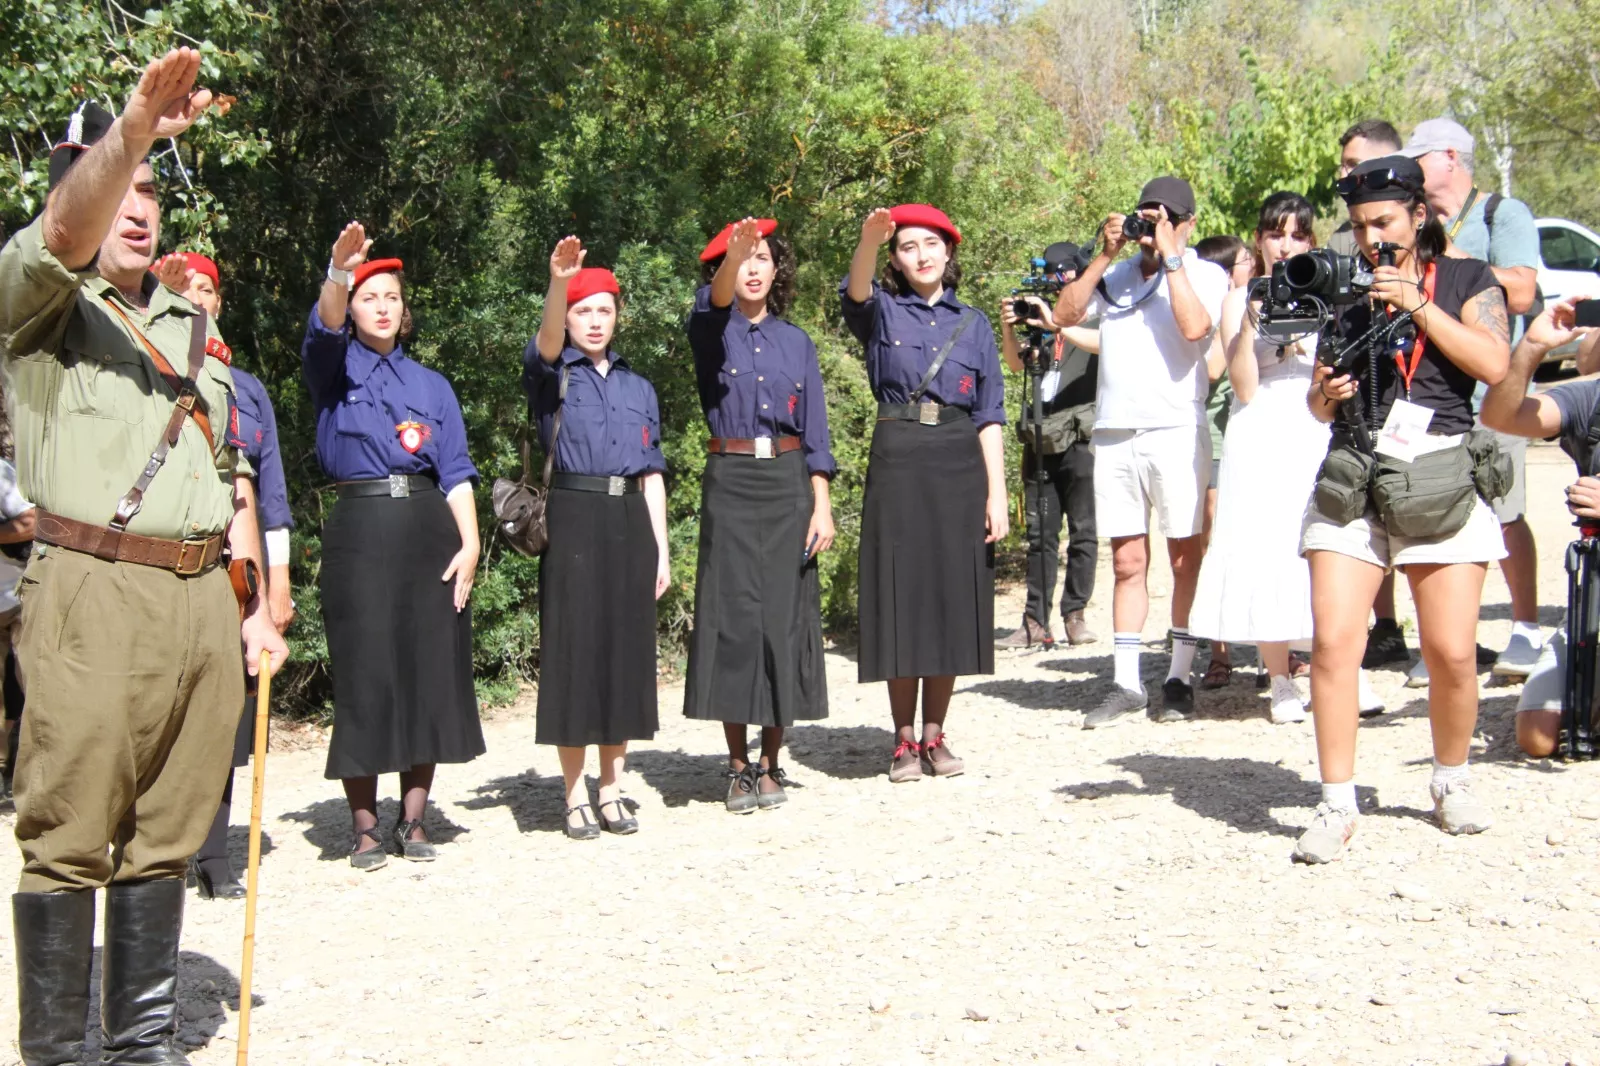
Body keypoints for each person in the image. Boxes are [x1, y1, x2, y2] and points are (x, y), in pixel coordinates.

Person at [0, 51, 286, 1065]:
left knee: (167, 834)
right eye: (122, 184)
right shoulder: (37, 298)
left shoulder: (193, 325)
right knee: (72, 833)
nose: (138, 206)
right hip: (93, 591)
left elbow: (229, 470)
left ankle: (141, 1043)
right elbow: (69, 230)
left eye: (154, 188)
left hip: (203, 599)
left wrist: (254, 603)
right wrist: (129, 134)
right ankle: (60, 1052)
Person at [1295, 155, 1512, 864]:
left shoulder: (1467, 281)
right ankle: (1336, 804)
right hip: (1354, 468)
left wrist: (1419, 305)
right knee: (1333, 644)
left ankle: (1450, 781)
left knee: (1450, 652)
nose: (1370, 238)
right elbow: (1315, 401)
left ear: (1418, 216)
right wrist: (1327, 393)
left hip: (1439, 469)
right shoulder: (1345, 291)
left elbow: (1493, 364)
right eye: (1359, 226)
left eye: (1383, 221)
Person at [304, 224, 485, 870]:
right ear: (351, 307)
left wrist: (470, 543)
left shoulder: (433, 387)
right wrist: (336, 271)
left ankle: (414, 819)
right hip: (361, 531)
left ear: (404, 310)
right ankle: (364, 828)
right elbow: (323, 328)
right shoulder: (333, 367)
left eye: (390, 297)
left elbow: (458, 472)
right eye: (367, 295)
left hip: (429, 532)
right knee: (366, 673)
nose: (381, 305)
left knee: (426, 671)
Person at [1051, 177, 1230, 727]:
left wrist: (1171, 256)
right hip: (1115, 432)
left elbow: (1197, 327)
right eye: (1145, 214)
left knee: (1183, 558)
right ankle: (1126, 684)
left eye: (1165, 216)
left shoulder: (1205, 272)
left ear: (1188, 223)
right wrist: (1105, 255)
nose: (1151, 225)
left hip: (1175, 429)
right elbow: (1064, 314)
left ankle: (1178, 675)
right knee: (1128, 562)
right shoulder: (1118, 273)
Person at [841, 204, 1008, 782]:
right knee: (900, 594)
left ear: (949, 252)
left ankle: (937, 734)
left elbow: (990, 415)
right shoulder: (883, 311)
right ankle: (903, 740)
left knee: (949, 597)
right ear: (895, 259)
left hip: (960, 460)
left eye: (931, 244)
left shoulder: (976, 323)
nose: (922, 256)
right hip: (899, 456)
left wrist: (998, 494)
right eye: (908, 247)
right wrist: (869, 238)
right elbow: (856, 289)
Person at [154, 250, 296, 898]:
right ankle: (153, 852)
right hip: (157, 564)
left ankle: (213, 858)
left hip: (233, 570)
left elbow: (268, 495)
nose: (200, 297)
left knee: (223, 713)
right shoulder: (146, 371)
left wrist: (278, 582)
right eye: (187, 288)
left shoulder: (250, 391)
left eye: (209, 288)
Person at [685, 217, 835, 813]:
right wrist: (732, 254)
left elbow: (817, 430)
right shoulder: (709, 328)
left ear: (778, 270)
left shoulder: (797, 343)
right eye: (742, 258)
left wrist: (821, 502)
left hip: (789, 484)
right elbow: (715, 298)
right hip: (731, 480)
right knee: (734, 621)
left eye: (762, 257)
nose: (752, 267)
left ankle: (773, 761)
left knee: (782, 618)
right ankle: (739, 764)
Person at [525, 242, 670, 838]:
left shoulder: (640, 388)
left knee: (624, 656)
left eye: (602, 311)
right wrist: (560, 282)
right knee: (574, 655)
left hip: (629, 522)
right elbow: (546, 343)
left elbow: (652, 472)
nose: (592, 321)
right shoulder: (552, 375)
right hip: (573, 517)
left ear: (617, 317)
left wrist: (660, 548)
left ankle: (612, 788)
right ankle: (572, 793)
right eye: (582, 310)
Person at [1401, 117, 1545, 685]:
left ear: (1452, 158)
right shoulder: (1419, 220)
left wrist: (1453, 255)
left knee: (1505, 511)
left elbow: (1526, 289)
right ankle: (1443, 642)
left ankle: (1526, 629)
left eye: (1421, 157)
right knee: (1431, 509)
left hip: (1494, 394)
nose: (1413, 169)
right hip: (1431, 398)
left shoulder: (1501, 214)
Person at [1189, 194, 1325, 723]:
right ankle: (1280, 677)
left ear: (1310, 241)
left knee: (1323, 541)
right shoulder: (1239, 297)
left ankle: (1335, 665)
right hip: (1260, 425)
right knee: (1268, 543)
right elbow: (1242, 386)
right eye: (1275, 233)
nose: (1285, 244)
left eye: (1296, 234)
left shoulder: (1327, 294)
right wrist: (1251, 320)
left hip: (1315, 421)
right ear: (1260, 239)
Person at [1478, 302, 1600, 756]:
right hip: (1596, 605)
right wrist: (1529, 348)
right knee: (1538, 735)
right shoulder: (1591, 398)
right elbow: (1501, 417)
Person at [996, 279, 1100, 651]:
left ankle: (1075, 616)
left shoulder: (1097, 321)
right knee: (1040, 537)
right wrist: (1011, 327)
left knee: (1083, 531)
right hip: (1041, 440)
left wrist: (1059, 326)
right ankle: (1034, 621)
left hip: (1081, 440)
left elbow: (1109, 347)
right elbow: (1013, 362)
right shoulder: (1038, 327)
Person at [1191, 234, 1247, 688]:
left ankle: (1280, 650)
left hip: (1254, 431)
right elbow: (1213, 369)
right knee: (1213, 542)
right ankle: (1219, 652)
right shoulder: (1210, 305)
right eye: (1245, 261)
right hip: (1214, 432)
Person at [1328, 119, 1404, 259]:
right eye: (1360, 227)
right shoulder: (1342, 240)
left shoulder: (1428, 229)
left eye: (1353, 164)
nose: (1343, 176)